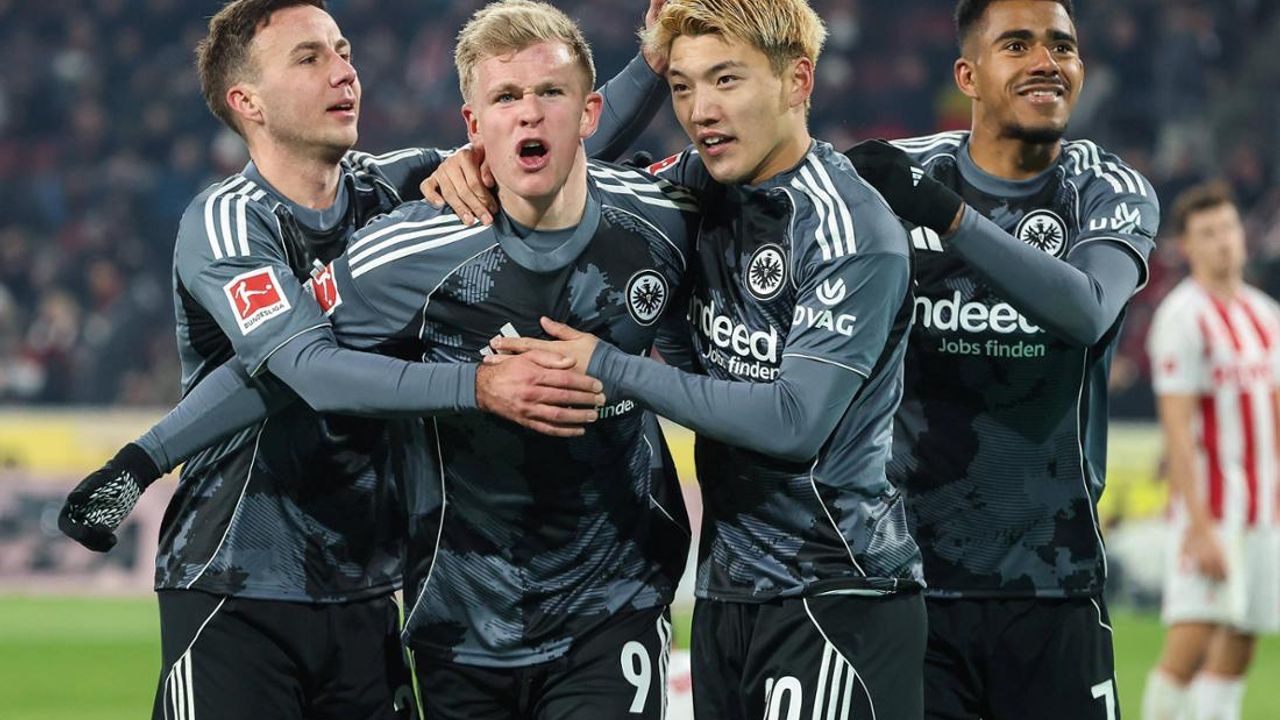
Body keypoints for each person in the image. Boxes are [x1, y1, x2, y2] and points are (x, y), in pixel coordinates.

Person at [56, 1, 669, 718]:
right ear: (247, 102)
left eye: (343, 51)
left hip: (370, 585)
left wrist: (654, 62)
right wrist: (478, 385)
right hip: (237, 581)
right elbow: (307, 371)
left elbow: (552, 143)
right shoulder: (228, 221)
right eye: (309, 57)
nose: (344, 71)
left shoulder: (397, 187)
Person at [487, 0, 927, 717]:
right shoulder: (695, 188)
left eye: (726, 80)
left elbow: (793, 422)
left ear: (797, 81)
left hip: (834, 593)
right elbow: (559, 173)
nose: (701, 111)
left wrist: (612, 366)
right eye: (683, 87)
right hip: (729, 592)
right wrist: (474, 163)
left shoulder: (849, 229)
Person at [839, 1, 1160, 718]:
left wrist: (949, 217)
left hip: (1056, 588)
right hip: (908, 589)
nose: (1047, 61)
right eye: (1017, 45)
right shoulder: (901, 176)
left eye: (1062, 47)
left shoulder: (1103, 187)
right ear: (968, 76)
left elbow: (1087, 312)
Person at [1142, 182, 1280, 720]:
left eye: (1227, 228)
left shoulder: (1265, 314)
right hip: (1213, 511)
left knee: (1243, 638)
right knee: (1193, 637)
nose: (1223, 241)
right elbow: (1177, 430)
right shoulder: (1182, 316)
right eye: (1208, 233)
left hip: (1264, 510)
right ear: (1187, 246)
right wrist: (1197, 527)